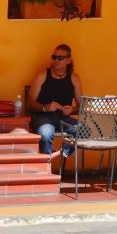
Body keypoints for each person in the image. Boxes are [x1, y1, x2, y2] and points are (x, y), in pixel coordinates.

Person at [28, 44, 83, 172]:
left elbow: (82, 105)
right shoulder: (43, 75)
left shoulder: (74, 78)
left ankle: (60, 153)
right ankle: (46, 169)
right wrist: (45, 107)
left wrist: (72, 110)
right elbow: (30, 103)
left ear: (68, 60)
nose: (56, 61)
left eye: (60, 58)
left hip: (63, 118)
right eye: (54, 57)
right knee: (46, 134)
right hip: (43, 117)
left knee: (84, 130)